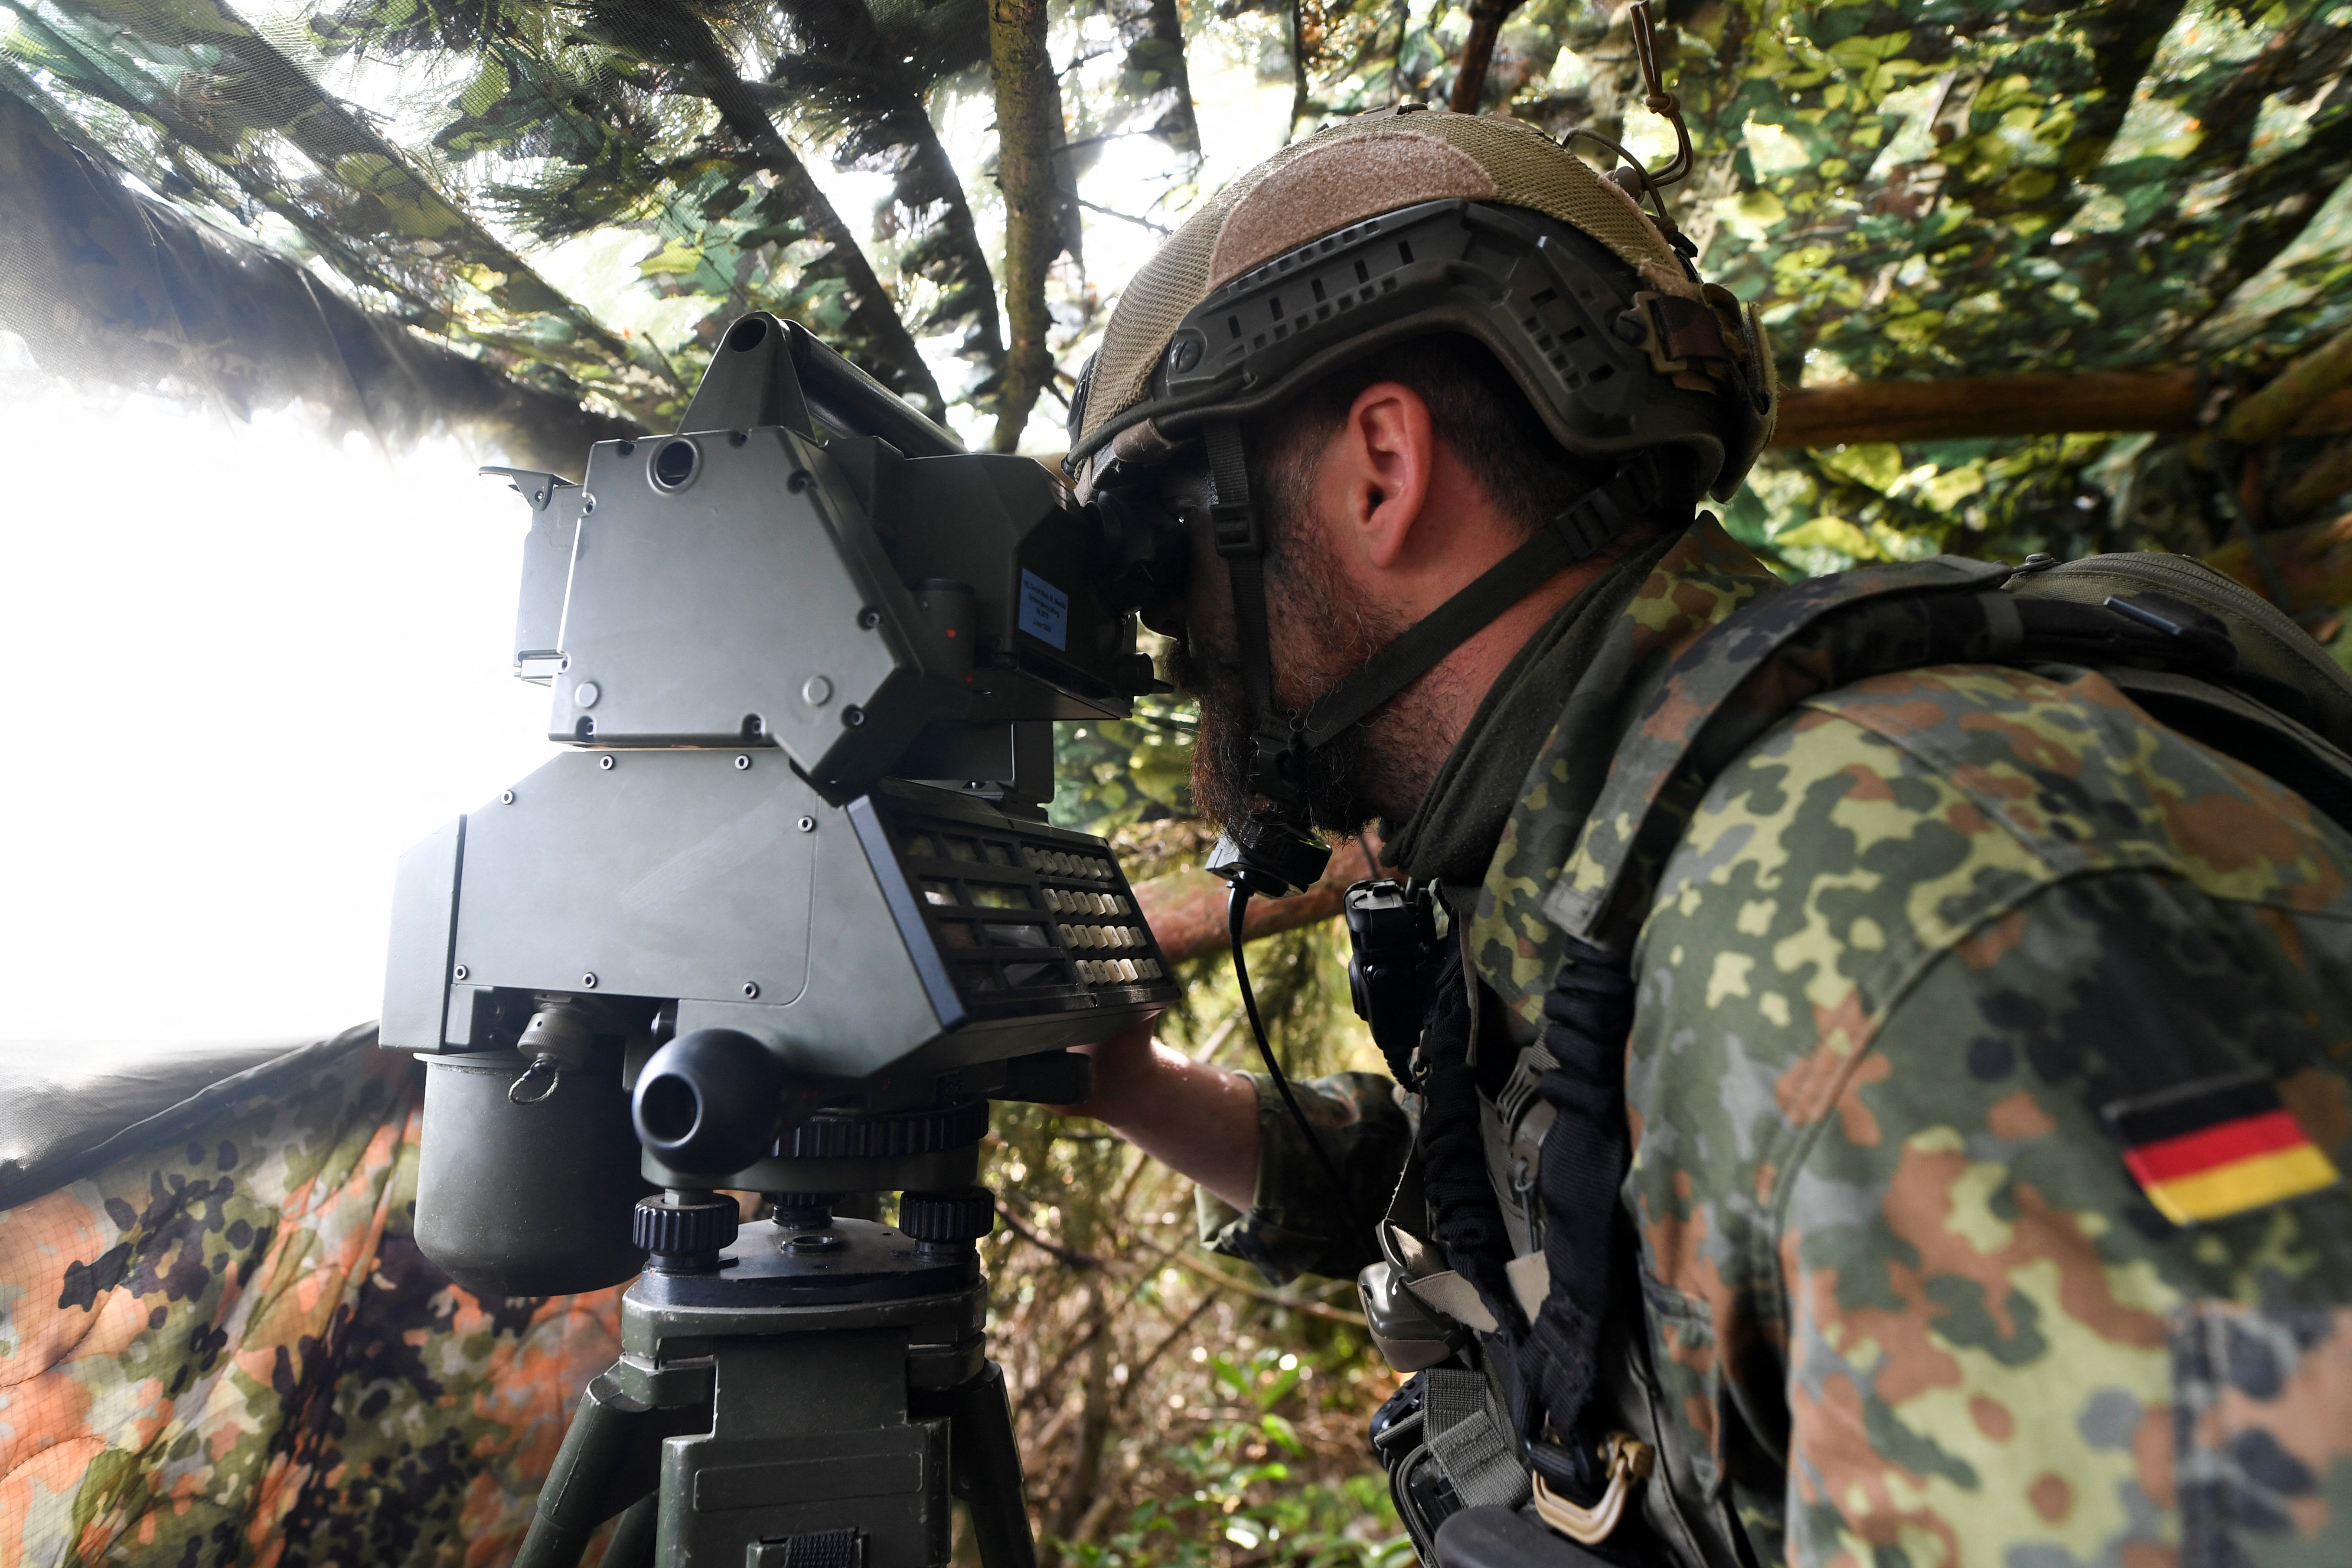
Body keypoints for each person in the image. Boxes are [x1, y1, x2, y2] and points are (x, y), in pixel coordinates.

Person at [1056, 105, 2352, 1567]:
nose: (1181, 647)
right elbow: (1575, 1197)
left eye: (1173, 548)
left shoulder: (1888, 890)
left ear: (1379, 467)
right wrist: (1127, 1082)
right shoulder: (1632, 866)